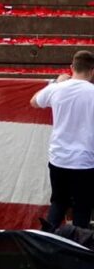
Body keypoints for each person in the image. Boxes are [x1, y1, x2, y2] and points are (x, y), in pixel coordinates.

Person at [30, 50, 94, 230]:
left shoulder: (57, 88)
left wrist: (55, 83)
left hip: (59, 159)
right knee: (82, 209)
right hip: (85, 161)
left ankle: (46, 241)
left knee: (58, 203)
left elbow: (34, 101)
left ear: (72, 67)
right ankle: (78, 245)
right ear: (92, 70)